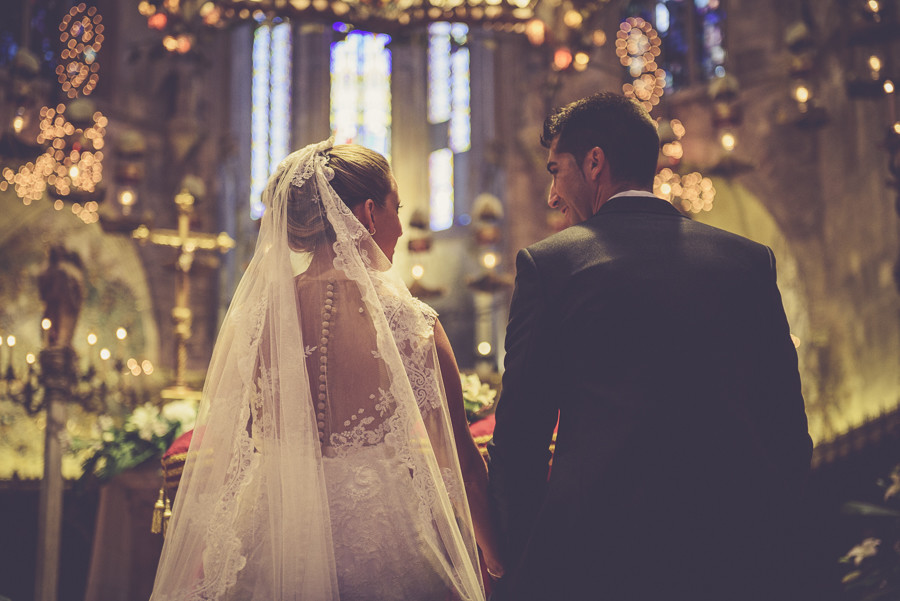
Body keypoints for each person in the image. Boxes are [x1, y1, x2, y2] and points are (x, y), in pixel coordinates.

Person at [487, 93, 813, 601]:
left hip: (600, 563)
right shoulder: (748, 261)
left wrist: (527, 558)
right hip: (737, 559)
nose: (552, 194)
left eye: (556, 170)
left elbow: (521, 439)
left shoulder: (549, 267)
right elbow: (787, 426)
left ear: (594, 162)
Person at [151, 138, 500, 601]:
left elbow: (239, 438)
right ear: (370, 213)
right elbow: (461, 467)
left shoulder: (255, 320)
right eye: (398, 207)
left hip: (271, 538)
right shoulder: (412, 324)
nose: (398, 225)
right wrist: (499, 557)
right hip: (380, 541)